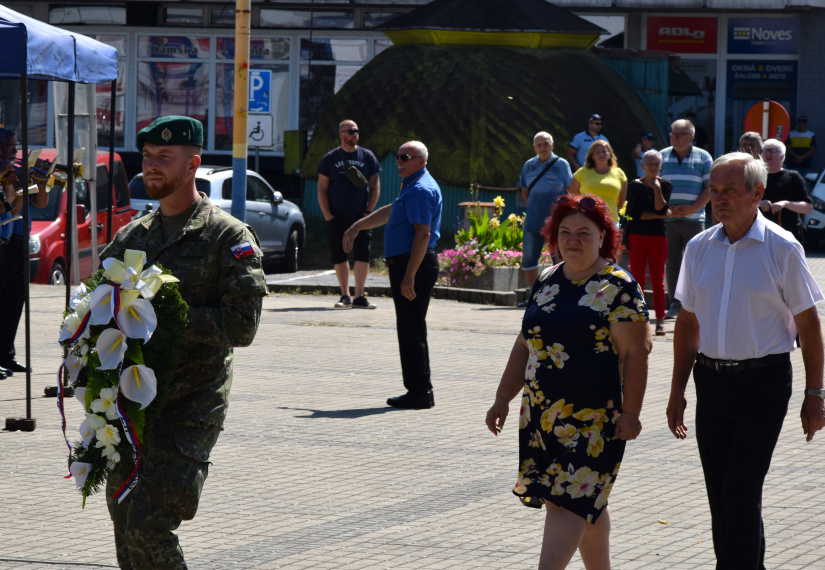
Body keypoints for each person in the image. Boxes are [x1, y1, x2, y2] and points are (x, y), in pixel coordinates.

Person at [100, 115, 268, 568]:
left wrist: (163, 317)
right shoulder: (131, 237)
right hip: (133, 408)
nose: (151, 166)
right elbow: (97, 311)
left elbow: (242, 325)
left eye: (164, 158)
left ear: (193, 163)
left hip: (190, 406)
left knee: (149, 525)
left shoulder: (226, 237)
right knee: (125, 524)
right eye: (148, 157)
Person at [666, 152, 825, 570]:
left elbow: (810, 326)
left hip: (765, 384)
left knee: (740, 489)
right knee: (723, 494)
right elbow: (686, 325)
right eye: (714, 191)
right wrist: (677, 390)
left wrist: (815, 394)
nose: (719, 199)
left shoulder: (782, 247)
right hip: (712, 382)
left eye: (729, 191)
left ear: (757, 193)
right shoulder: (699, 248)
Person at [486, 194, 651, 570]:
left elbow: (636, 354)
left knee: (567, 499)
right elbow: (525, 343)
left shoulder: (619, 286)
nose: (572, 240)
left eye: (583, 233)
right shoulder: (547, 279)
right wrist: (502, 398)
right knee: (582, 501)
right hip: (543, 416)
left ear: (603, 237)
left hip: (595, 421)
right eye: (565, 232)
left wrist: (632, 413)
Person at [343, 141, 442, 410]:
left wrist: (409, 276)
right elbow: (391, 211)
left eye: (405, 157)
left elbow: (423, 234)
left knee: (411, 330)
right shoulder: (412, 185)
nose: (399, 160)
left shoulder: (420, 189)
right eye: (398, 156)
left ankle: (420, 392)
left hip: (414, 265)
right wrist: (357, 227)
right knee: (410, 328)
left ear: (421, 160)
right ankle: (419, 390)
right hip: (409, 264)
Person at [317, 119, 381, 309]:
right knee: (340, 255)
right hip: (337, 216)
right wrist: (328, 215)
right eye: (350, 131)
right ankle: (345, 295)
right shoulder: (330, 158)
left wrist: (368, 212)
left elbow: (375, 186)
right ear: (341, 134)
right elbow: (322, 189)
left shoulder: (367, 156)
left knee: (363, 254)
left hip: (361, 218)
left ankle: (359, 297)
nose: (354, 133)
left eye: (356, 130)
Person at [0, 128, 48, 376]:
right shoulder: (4, 173)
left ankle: (6, 354)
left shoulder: (14, 172)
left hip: (19, 240)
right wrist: (18, 184)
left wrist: (39, 180)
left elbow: (40, 203)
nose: (15, 152)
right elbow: (12, 210)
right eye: (12, 147)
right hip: (4, 241)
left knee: (14, 301)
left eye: (16, 147)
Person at [660, 119, 712, 319]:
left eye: (681, 134)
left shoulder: (703, 157)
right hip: (668, 219)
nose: (676, 137)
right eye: (673, 133)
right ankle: (675, 304)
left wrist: (691, 207)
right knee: (672, 263)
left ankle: (696, 303)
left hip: (694, 218)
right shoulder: (662, 156)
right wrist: (666, 208)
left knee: (696, 262)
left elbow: (709, 189)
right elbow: (653, 185)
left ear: (691, 137)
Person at [518, 131, 573, 297]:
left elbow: (570, 193)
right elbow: (525, 192)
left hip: (556, 224)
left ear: (552, 145)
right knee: (528, 261)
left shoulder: (562, 164)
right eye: (539, 144)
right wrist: (538, 207)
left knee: (559, 260)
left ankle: (559, 295)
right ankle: (533, 296)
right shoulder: (528, 166)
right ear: (534, 147)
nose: (543, 147)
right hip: (533, 222)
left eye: (546, 143)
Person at [626, 150, 672, 337]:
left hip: (658, 236)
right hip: (636, 235)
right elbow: (635, 214)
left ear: (660, 166)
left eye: (656, 164)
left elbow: (661, 206)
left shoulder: (666, 185)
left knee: (658, 280)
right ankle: (639, 317)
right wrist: (659, 215)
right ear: (642, 166)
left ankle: (660, 321)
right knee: (637, 278)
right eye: (649, 164)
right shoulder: (634, 185)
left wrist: (657, 189)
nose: (652, 167)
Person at [759, 138, 812, 243]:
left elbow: (808, 207)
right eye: (765, 150)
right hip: (761, 234)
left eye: (773, 150)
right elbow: (742, 203)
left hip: (789, 234)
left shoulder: (793, 177)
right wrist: (758, 203)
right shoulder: (755, 177)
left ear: (782, 157)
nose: (768, 153)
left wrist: (786, 204)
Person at [569, 140, 627, 224]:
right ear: (592, 156)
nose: (601, 154)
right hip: (587, 220)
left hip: (611, 221)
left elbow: (621, 202)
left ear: (609, 154)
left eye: (604, 151)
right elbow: (572, 198)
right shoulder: (581, 172)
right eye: (597, 152)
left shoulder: (619, 173)